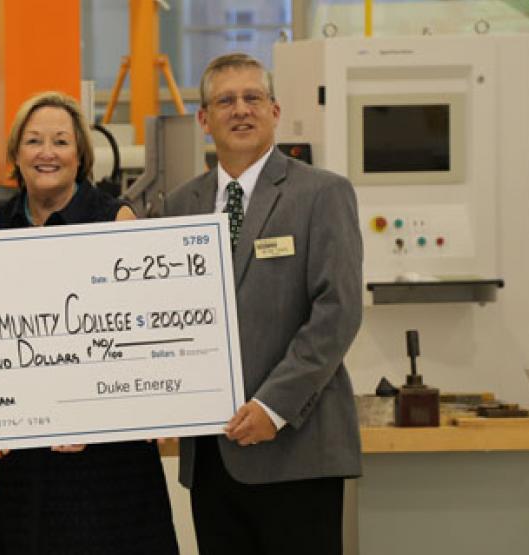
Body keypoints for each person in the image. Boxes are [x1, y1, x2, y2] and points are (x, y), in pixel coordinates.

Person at [166, 52, 363, 555]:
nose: (241, 110)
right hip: (212, 455)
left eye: (253, 97)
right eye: (225, 100)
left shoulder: (322, 194)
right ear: (204, 119)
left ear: (274, 111)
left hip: (295, 448)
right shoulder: (180, 205)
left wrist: (273, 407)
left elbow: (336, 312)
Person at [0, 91, 179, 554]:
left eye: (61, 141)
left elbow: (143, 336)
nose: (47, 152)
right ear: (15, 155)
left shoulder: (118, 220)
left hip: (110, 459)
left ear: (81, 155)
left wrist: (99, 415)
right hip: (27, 462)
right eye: (33, 141)